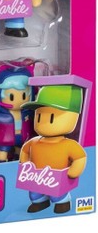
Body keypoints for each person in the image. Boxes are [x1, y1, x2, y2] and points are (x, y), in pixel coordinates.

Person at [20, 84, 87, 214]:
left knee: (58, 194)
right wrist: (25, 164)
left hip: (57, 180)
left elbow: (80, 157)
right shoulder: (33, 142)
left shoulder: (68, 144)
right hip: (36, 178)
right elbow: (24, 151)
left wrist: (74, 171)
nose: (43, 122)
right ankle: (40, 202)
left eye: (51, 117)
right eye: (39, 116)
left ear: (73, 116)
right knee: (34, 193)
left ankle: (63, 202)